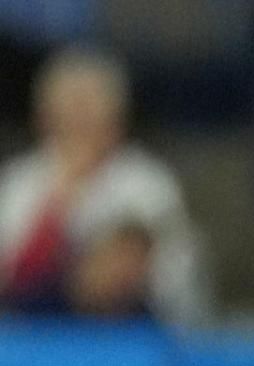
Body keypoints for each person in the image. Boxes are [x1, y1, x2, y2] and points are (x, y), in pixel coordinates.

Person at [0, 48, 208, 324]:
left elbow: (179, 280)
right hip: (32, 338)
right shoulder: (20, 181)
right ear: (44, 117)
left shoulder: (147, 183)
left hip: (126, 334)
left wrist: (126, 272)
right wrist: (60, 204)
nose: (79, 118)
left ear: (117, 118)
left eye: (89, 105)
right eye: (70, 105)